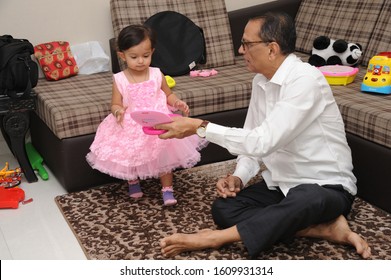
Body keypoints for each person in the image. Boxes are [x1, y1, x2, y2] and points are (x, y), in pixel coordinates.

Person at [156, 12, 372, 258]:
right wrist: (239, 176)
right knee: (224, 208)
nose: (240, 50)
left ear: (272, 49)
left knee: (308, 197)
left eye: (247, 44)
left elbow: (263, 141)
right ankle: (321, 229)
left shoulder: (305, 80)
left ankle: (215, 238)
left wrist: (199, 127)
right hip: (283, 185)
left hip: (326, 186)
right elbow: (253, 138)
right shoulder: (261, 81)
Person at [86, 24, 207, 206]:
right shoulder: (119, 79)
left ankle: (167, 189)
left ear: (152, 52)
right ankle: (133, 181)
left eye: (146, 56)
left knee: (164, 157)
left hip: (158, 122)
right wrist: (118, 110)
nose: (141, 61)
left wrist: (177, 102)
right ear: (122, 56)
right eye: (134, 57)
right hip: (131, 124)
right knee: (131, 154)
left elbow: (169, 95)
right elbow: (115, 103)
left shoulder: (157, 74)